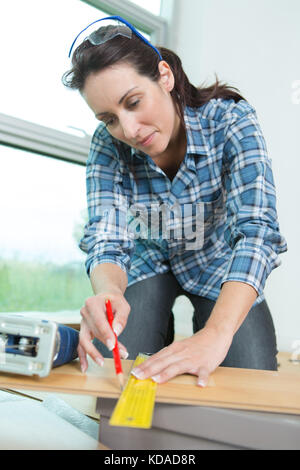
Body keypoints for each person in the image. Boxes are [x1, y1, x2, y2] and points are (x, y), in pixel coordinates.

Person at [62, 16, 287, 387]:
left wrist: (216, 334)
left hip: (216, 263)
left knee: (251, 383)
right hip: (148, 262)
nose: (128, 131)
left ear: (164, 77)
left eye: (133, 102)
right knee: (119, 376)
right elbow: (107, 235)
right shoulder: (107, 144)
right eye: (109, 119)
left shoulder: (231, 121)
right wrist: (108, 291)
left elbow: (257, 232)